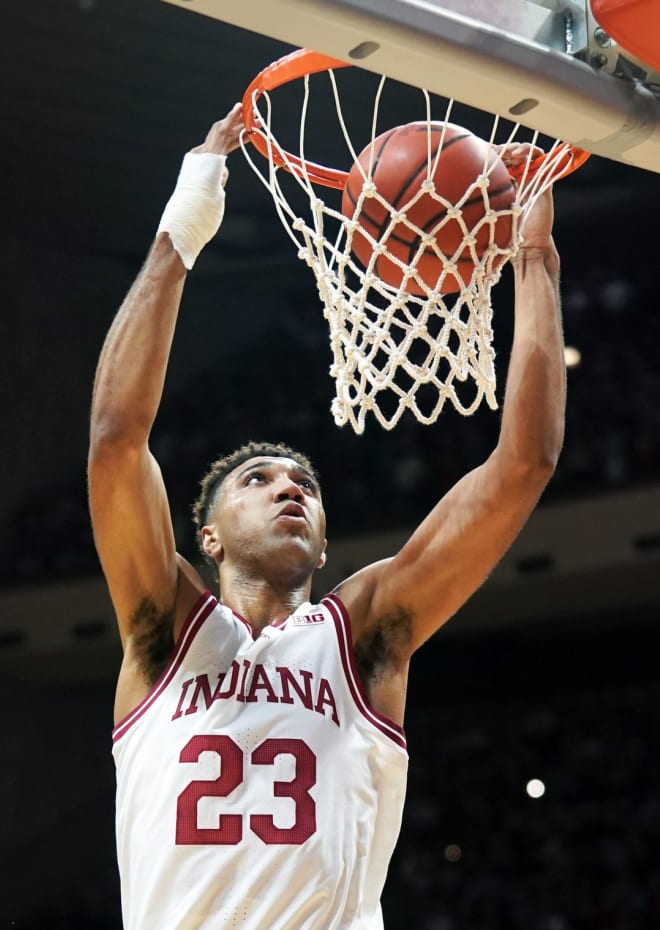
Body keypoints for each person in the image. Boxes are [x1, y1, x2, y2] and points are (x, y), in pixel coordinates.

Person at [88, 103, 566, 930]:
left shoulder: (365, 635)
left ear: (323, 540)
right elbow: (115, 440)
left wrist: (534, 259)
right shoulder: (163, 630)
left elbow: (522, 466)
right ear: (205, 537)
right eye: (259, 480)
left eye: (304, 483)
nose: (290, 489)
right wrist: (184, 225)